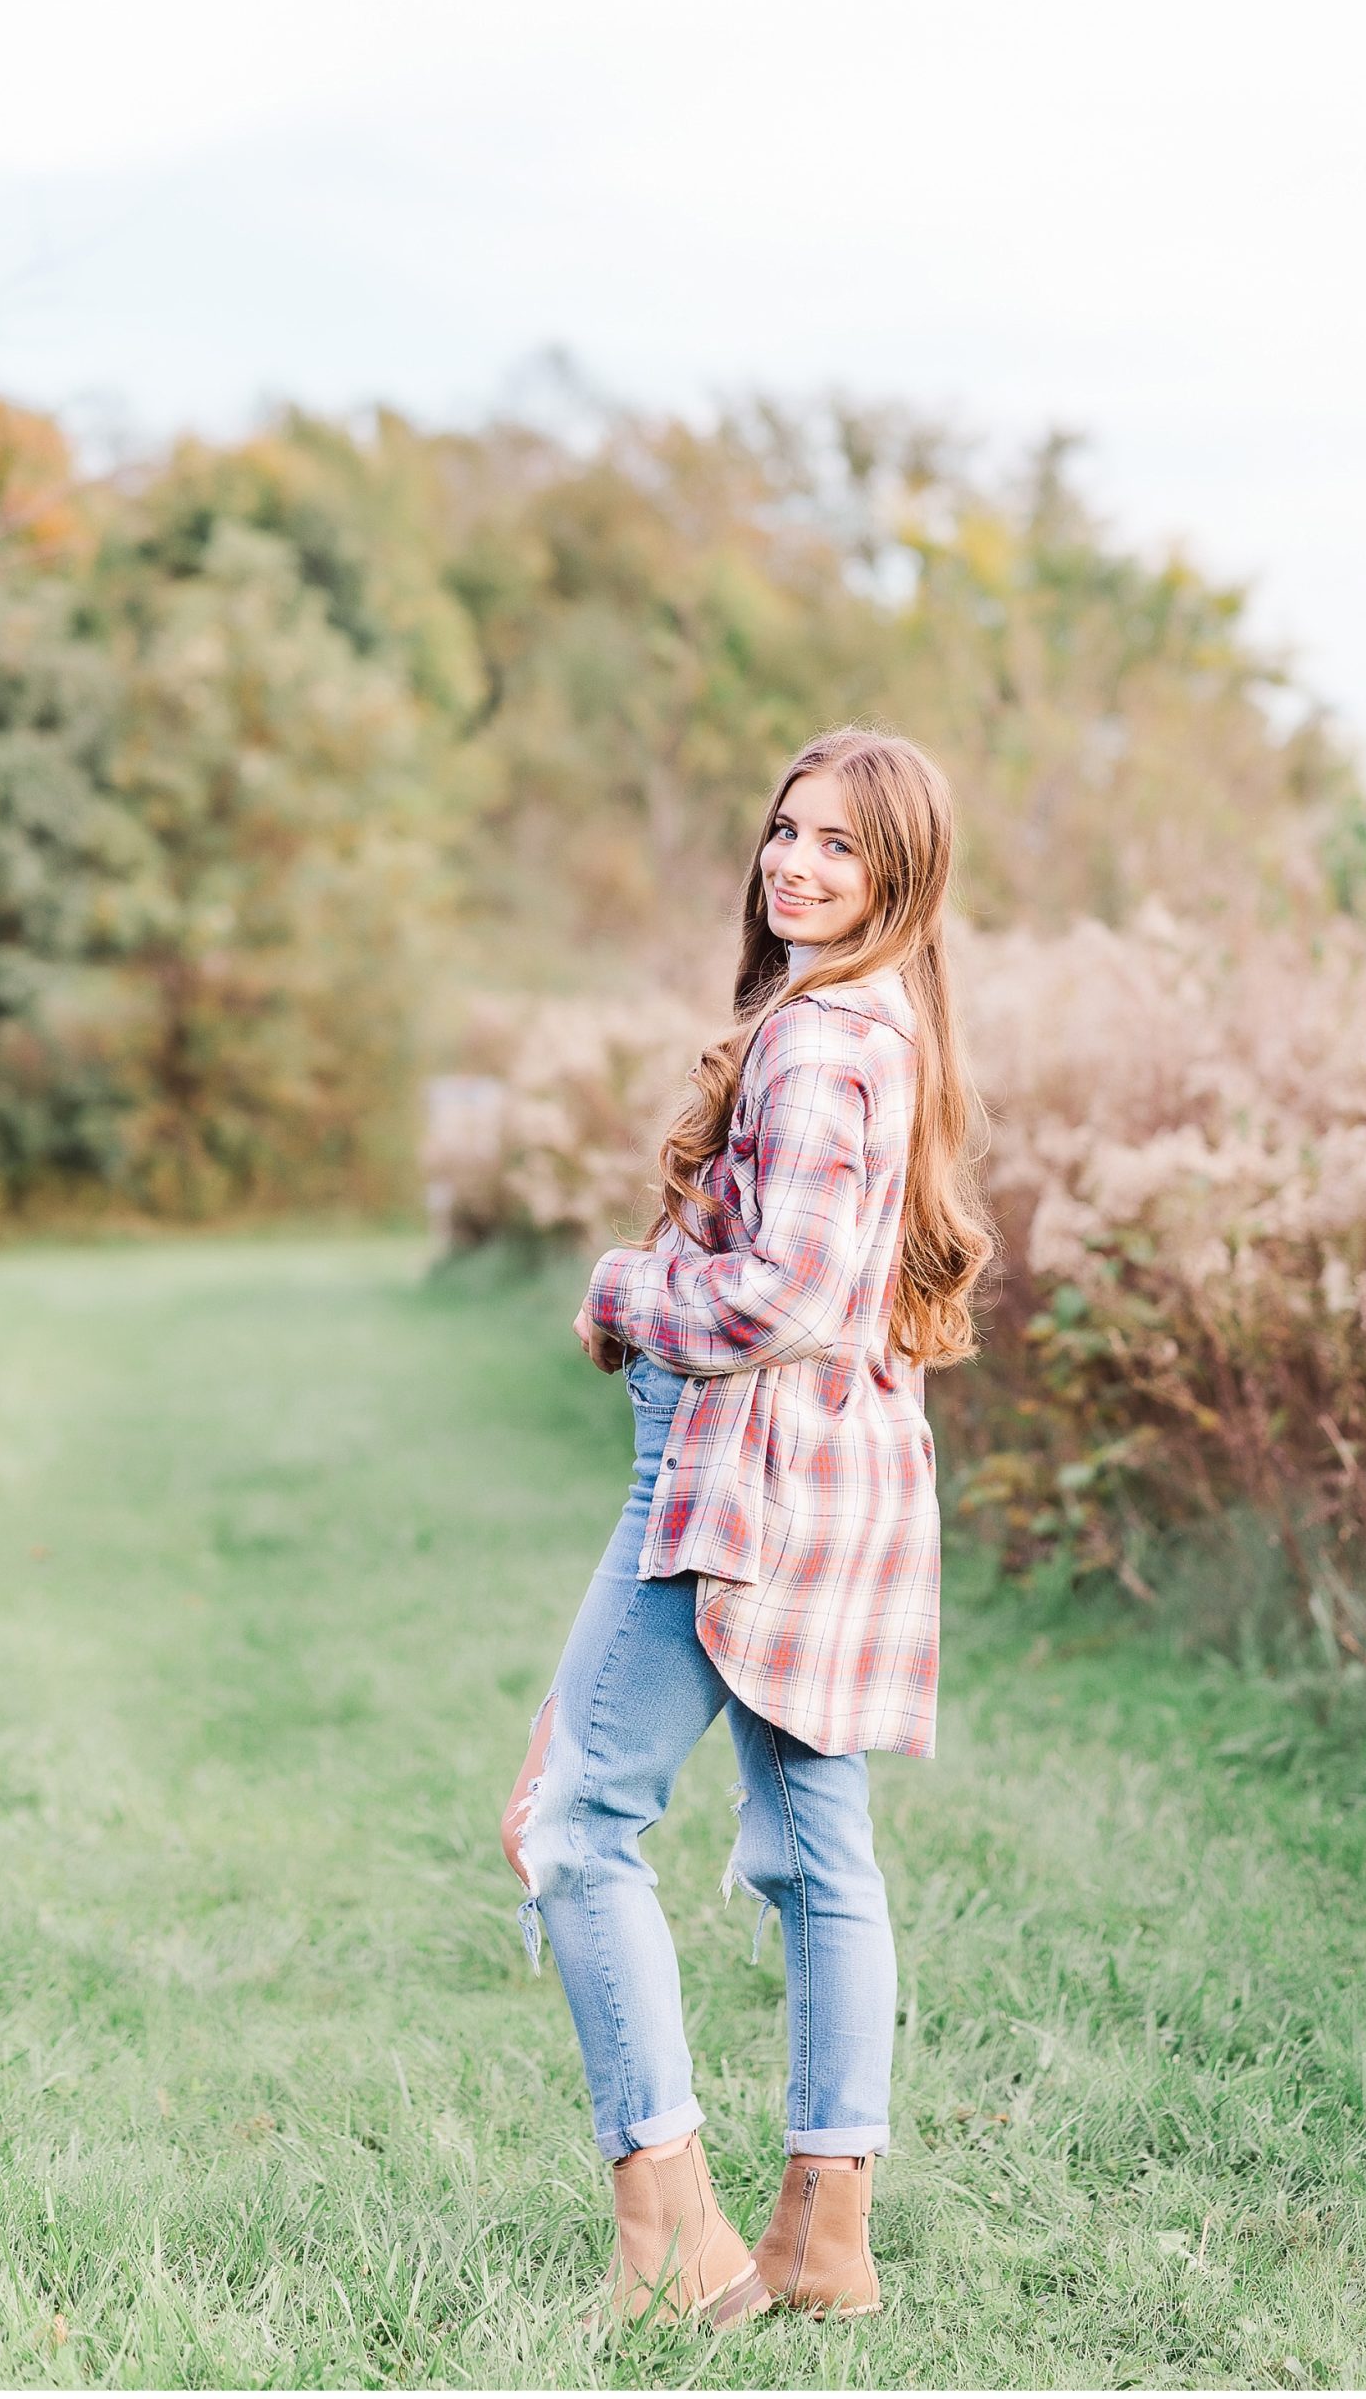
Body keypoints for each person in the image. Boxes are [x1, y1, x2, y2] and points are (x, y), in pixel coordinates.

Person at [500, 724, 995, 2333]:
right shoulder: (891, 1025)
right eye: (787, 830)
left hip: (741, 1478)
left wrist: (621, 1291)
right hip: (839, 1476)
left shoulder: (820, 1040)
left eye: (841, 843)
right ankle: (822, 2242)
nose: (796, 862)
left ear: (901, 872)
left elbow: (782, 1296)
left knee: (576, 1825)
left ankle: (672, 2240)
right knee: (815, 1850)